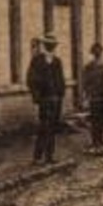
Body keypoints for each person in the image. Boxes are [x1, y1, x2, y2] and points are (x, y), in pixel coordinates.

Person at [26, 32, 67, 164]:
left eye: (53, 45)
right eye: (48, 44)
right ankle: (37, 156)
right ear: (45, 45)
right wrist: (37, 96)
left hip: (55, 99)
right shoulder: (37, 61)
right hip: (44, 99)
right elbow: (31, 80)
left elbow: (61, 80)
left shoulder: (57, 61)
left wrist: (60, 95)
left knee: (53, 127)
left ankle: (49, 156)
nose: (51, 47)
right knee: (43, 126)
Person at [81, 43, 103, 154]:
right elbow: (85, 82)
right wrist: (87, 95)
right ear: (93, 53)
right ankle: (95, 141)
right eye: (96, 52)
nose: (98, 53)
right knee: (95, 119)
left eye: (99, 51)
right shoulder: (89, 67)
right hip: (95, 97)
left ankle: (101, 139)